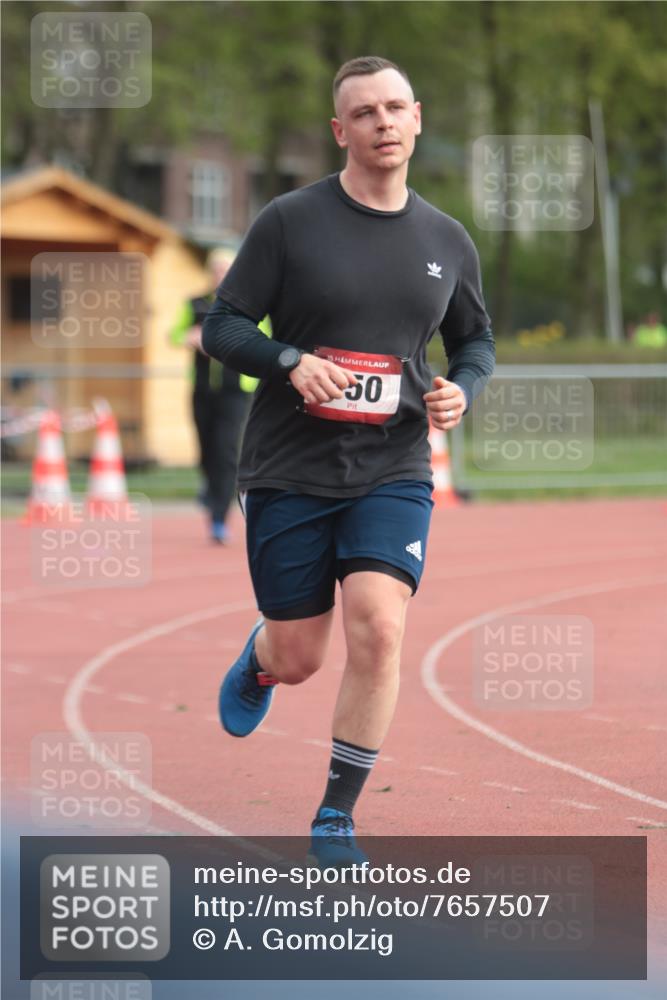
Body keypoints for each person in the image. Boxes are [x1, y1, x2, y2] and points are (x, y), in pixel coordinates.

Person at [202, 56, 495, 863]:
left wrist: (462, 388)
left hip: (393, 464)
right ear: (340, 131)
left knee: (378, 625)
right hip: (289, 467)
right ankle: (262, 660)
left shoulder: (445, 238)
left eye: (395, 108)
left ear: (418, 117)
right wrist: (290, 358)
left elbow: (474, 341)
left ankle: (335, 814)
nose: (383, 123)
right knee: (302, 655)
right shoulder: (290, 222)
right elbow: (221, 329)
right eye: (364, 113)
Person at [170, 249, 267, 543]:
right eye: (216, 270)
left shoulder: (252, 305)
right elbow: (174, 334)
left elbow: (264, 339)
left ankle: (218, 518)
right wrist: (188, 337)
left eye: (226, 270)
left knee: (226, 452)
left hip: (236, 391)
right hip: (202, 389)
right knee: (206, 450)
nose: (220, 276)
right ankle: (210, 489)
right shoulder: (196, 304)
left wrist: (227, 343)